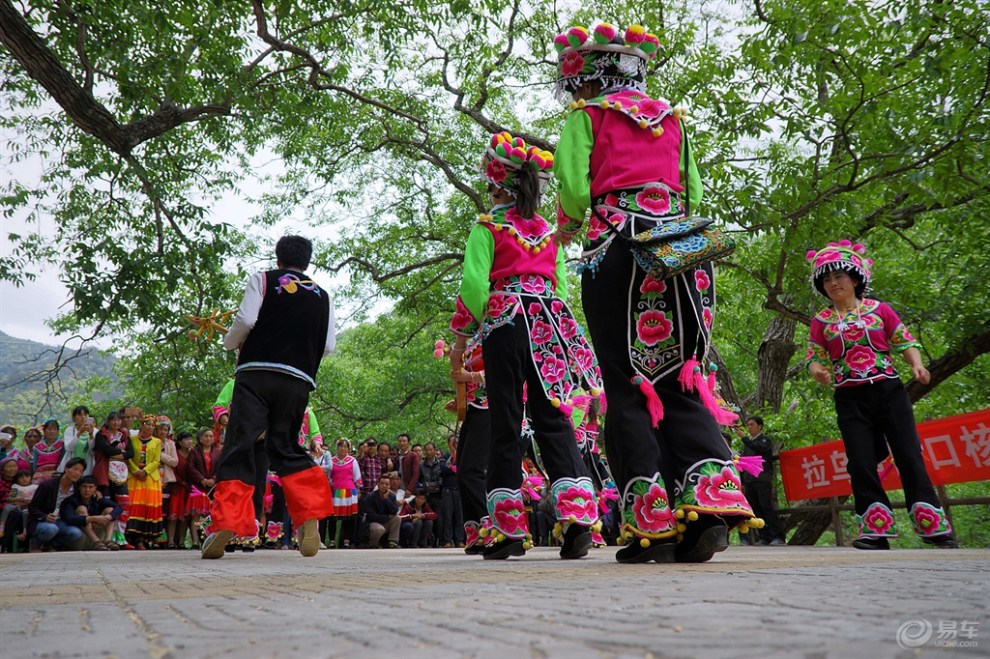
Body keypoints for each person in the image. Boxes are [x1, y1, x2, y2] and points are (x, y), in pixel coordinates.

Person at [551, 22, 755, 563]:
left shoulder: (586, 118)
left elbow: (573, 192)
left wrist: (572, 221)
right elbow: (694, 189)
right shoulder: (673, 120)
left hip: (617, 245)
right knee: (681, 372)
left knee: (625, 379)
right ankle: (710, 504)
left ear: (589, 78)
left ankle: (652, 522)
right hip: (679, 249)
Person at [448, 131, 604, 561]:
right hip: (551, 323)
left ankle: (508, 530)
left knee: (506, 422)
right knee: (553, 419)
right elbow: (561, 288)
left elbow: (474, 286)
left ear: (497, 183)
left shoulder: (488, 227)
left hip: (508, 321)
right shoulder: (551, 235)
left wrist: (475, 331)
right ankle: (576, 520)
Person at [805, 240, 958, 550]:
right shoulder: (821, 321)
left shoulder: (880, 311)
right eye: (827, 279)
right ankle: (875, 530)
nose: (833, 283)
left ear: (855, 278)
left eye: (839, 277)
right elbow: (814, 357)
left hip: (889, 390)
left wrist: (917, 365)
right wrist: (818, 371)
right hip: (850, 396)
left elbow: (904, 341)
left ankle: (933, 528)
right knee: (860, 461)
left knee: (908, 454)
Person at [204, 235, 336, 559]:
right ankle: (308, 515)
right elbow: (329, 345)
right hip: (298, 380)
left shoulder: (262, 279)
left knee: (241, 444)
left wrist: (230, 343)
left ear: (278, 258)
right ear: (307, 262)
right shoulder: (323, 295)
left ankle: (228, 521)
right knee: (286, 446)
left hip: (256, 373)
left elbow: (247, 320)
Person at [736, 416, 785, 545]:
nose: (749, 427)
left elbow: (759, 448)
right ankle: (764, 536)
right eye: (748, 425)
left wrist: (744, 438)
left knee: (766, 507)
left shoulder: (764, 440)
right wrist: (743, 482)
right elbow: (744, 463)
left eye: (752, 424)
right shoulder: (748, 445)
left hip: (762, 479)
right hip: (750, 480)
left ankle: (777, 536)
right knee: (756, 509)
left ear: (760, 426)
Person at [28, 457, 87, 551]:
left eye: (81, 471)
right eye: (75, 469)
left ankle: (51, 545)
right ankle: (36, 542)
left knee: (76, 534)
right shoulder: (47, 485)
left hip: (61, 521)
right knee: (51, 529)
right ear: (66, 468)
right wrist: (45, 516)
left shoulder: (76, 488)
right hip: (41, 521)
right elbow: (32, 508)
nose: (77, 473)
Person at [125, 415, 164, 550]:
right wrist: (136, 470)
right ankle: (133, 538)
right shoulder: (131, 439)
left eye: (153, 425)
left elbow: (157, 460)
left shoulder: (157, 442)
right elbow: (128, 457)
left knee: (148, 508)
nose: (150, 427)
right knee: (133, 506)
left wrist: (145, 471)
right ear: (141, 425)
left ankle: (147, 539)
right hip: (134, 477)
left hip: (150, 478)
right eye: (148, 424)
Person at [60, 475, 123, 550]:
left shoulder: (98, 499)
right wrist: (92, 519)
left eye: (90, 487)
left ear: (95, 489)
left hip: (99, 535)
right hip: (79, 537)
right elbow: (69, 518)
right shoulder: (71, 501)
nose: (87, 490)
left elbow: (119, 508)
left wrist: (108, 517)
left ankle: (108, 541)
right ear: (79, 488)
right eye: (84, 486)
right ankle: (96, 542)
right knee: (82, 509)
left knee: (110, 510)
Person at [186, 428, 221, 548]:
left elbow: (220, 468)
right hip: (198, 488)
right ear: (200, 438)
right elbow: (190, 468)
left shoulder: (217, 452)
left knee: (209, 515)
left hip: (212, 488)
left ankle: (207, 539)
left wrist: (214, 479)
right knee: (196, 515)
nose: (209, 438)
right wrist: (202, 480)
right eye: (206, 436)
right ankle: (195, 541)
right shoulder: (194, 452)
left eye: (211, 436)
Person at [326, 438, 361, 548]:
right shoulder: (331, 461)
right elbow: (328, 476)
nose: (343, 448)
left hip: (349, 492)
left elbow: (357, 476)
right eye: (341, 446)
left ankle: (347, 540)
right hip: (335, 492)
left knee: (349, 517)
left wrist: (359, 490)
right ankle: (332, 540)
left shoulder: (352, 461)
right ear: (337, 448)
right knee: (333, 517)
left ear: (348, 448)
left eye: (345, 446)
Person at [168, 431, 195, 549]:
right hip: (177, 487)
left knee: (185, 516)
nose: (189, 441)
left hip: (190, 488)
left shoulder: (193, 454)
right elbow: (172, 469)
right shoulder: (176, 454)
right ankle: (170, 541)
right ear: (180, 442)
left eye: (191, 439)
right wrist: (181, 481)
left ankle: (182, 541)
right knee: (173, 515)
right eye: (186, 439)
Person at [364, 475, 401, 548]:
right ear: (378, 484)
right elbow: (371, 516)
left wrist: (386, 499)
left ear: (390, 486)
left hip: (385, 522)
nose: (384, 486)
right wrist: (387, 517)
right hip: (373, 523)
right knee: (379, 529)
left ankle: (392, 542)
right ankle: (372, 545)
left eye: (387, 484)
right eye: (382, 484)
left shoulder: (392, 496)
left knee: (397, 518)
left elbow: (394, 511)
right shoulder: (370, 496)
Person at [59, 406, 95, 474]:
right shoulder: (69, 430)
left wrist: (91, 435)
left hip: (87, 466)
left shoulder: (95, 431)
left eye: (85, 414)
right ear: (74, 418)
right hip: (71, 465)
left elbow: (93, 451)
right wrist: (79, 433)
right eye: (80, 415)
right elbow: (68, 448)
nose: (83, 417)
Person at [32, 419, 65, 484]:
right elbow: (34, 465)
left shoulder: (63, 445)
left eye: (54, 429)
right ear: (44, 431)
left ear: (58, 431)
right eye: (49, 429)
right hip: (39, 478)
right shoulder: (37, 447)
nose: (52, 432)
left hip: (56, 477)